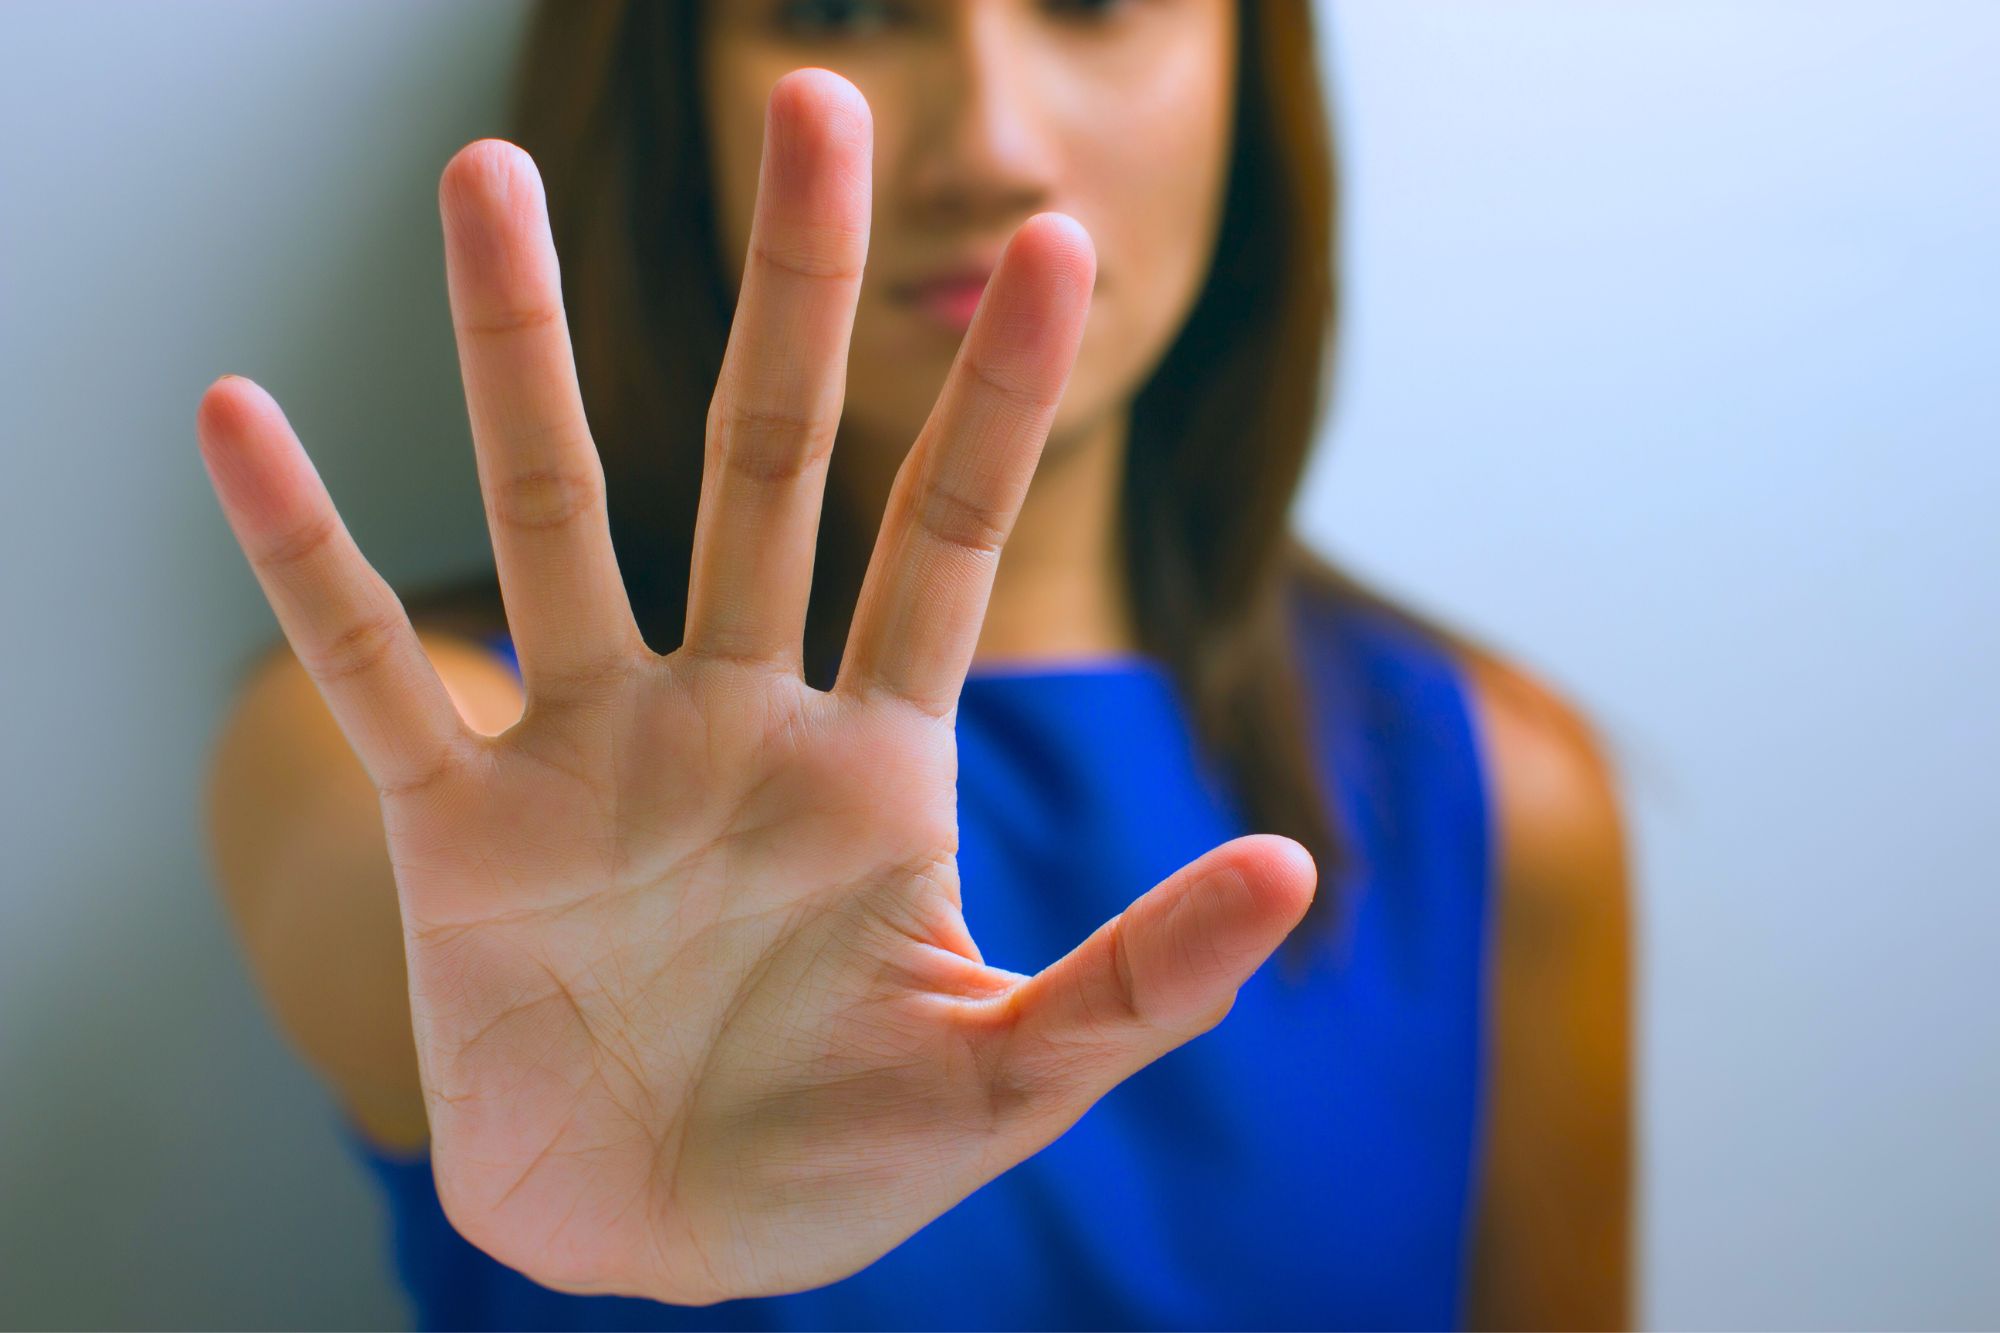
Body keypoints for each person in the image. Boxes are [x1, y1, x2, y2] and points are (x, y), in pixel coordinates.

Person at [199, 1, 1632, 1328]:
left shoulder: (1501, 793)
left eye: (1091, 0)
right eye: (837, 7)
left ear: (1251, 78)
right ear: (667, 89)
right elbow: (373, 878)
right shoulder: (441, 759)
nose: (989, 148)